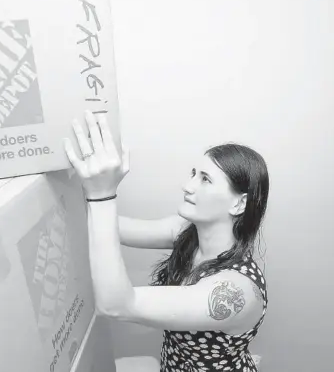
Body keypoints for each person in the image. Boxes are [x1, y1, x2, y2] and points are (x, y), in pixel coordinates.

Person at [64, 110, 269, 372]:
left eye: (205, 179)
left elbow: (115, 305)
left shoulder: (235, 291)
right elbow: (107, 228)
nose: (188, 185)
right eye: (193, 173)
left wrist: (102, 194)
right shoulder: (186, 232)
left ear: (239, 203)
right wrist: (81, 183)